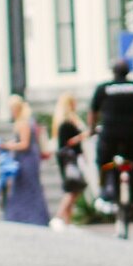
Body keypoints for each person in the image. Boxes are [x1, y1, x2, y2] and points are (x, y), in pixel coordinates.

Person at [89, 61, 133, 196]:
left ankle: (103, 189)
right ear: (128, 72)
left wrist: (91, 129)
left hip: (110, 135)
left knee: (103, 161)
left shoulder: (104, 88)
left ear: (113, 72)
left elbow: (93, 112)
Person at [0, 97, 52, 227]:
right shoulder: (27, 121)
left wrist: (7, 146)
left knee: (27, 187)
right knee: (26, 187)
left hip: (26, 159)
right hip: (26, 158)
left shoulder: (23, 122)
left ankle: (28, 217)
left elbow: (24, 144)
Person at [50, 95, 89, 229]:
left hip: (69, 158)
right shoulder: (66, 123)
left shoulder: (66, 121)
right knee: (72, 188)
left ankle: (67, 221)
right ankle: (59, 216)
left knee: (73, 188)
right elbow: (69, 142)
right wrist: (83, 135)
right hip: (68, 159)